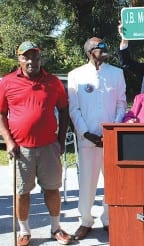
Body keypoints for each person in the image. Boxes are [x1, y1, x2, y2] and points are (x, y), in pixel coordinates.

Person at [0, 41, 72, 245]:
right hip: (20, 148)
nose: (32, 60)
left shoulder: (53, 81)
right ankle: (24, 232)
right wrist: (8, 140)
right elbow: (1, 113)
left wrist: (60, 141)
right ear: (19, 59)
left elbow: (64, 110)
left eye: (35, 56)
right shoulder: (7, 82)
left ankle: (56, 228)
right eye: (27, 56)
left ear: (40, 58)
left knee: (52, 189)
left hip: (49, 146)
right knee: (22, 192)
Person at [68, 37, 127, 240]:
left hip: (111, 139)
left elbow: (121, 104)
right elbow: (73, 108)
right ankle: (85, 221)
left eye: (105, 46)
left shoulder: (116, 73)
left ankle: (109, 220)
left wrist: (113, 129)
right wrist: (86, 133)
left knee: (112, 182)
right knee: (87, 182)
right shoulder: (76, 75)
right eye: (99, 47)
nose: (104, 49)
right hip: (87, 140)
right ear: (89, 52)